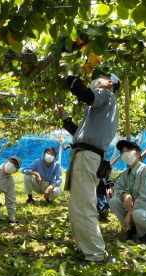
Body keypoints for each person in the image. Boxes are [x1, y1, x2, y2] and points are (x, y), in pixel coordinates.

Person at [55, 64, 120, 263]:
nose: (95, 81)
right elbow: (80, 135)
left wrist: (68, 74)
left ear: (109, 83)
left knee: (83, 206)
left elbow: (84, 93)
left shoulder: (106, 95)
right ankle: (85, 247)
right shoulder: (98, 111)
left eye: (99, 78)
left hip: (87, 156)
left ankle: (95, 254)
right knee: (78, 205)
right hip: (84, 155)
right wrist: (65, 118)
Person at [109, 140, 146, 242]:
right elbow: (118, 188)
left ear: (138, 153)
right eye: (123, 152)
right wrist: (125, 195)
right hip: (139, 209)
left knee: (138, 214)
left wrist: (129, 214)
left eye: (128, 150)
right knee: (114, 201)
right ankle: (130, 229)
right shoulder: (126, 173)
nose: (125, 154)